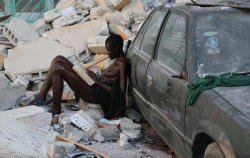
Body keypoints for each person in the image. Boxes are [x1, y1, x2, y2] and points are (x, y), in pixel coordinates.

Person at [29, 34, 127, 119]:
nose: (107, 53)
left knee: (58, 68)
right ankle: (40, 97)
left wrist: (97, 81)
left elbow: (120, 92)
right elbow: (108, 79)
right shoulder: (117, 61)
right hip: (94, 86)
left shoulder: (122, 64)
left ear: (116, 49)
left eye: (109, 50)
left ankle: (56, 108)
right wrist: (92, 75)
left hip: (96, 94)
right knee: (58, 59)